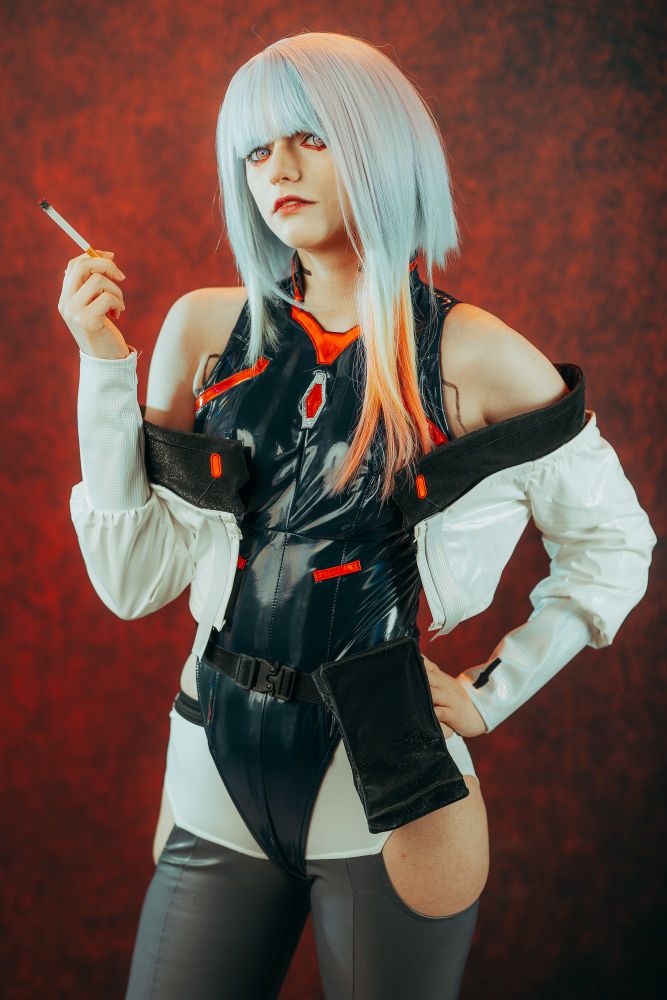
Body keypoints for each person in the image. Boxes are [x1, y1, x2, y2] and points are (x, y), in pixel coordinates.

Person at [61, 31, 657, 1000]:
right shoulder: (204, 332)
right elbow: (132, 585)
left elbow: (612, 544)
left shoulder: (475, 354)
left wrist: (496, 688)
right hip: (214, 759)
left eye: (310, 137)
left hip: (389, 783)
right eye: (255, 149)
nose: (278, 169)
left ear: (380, 149)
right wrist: (101, 366)